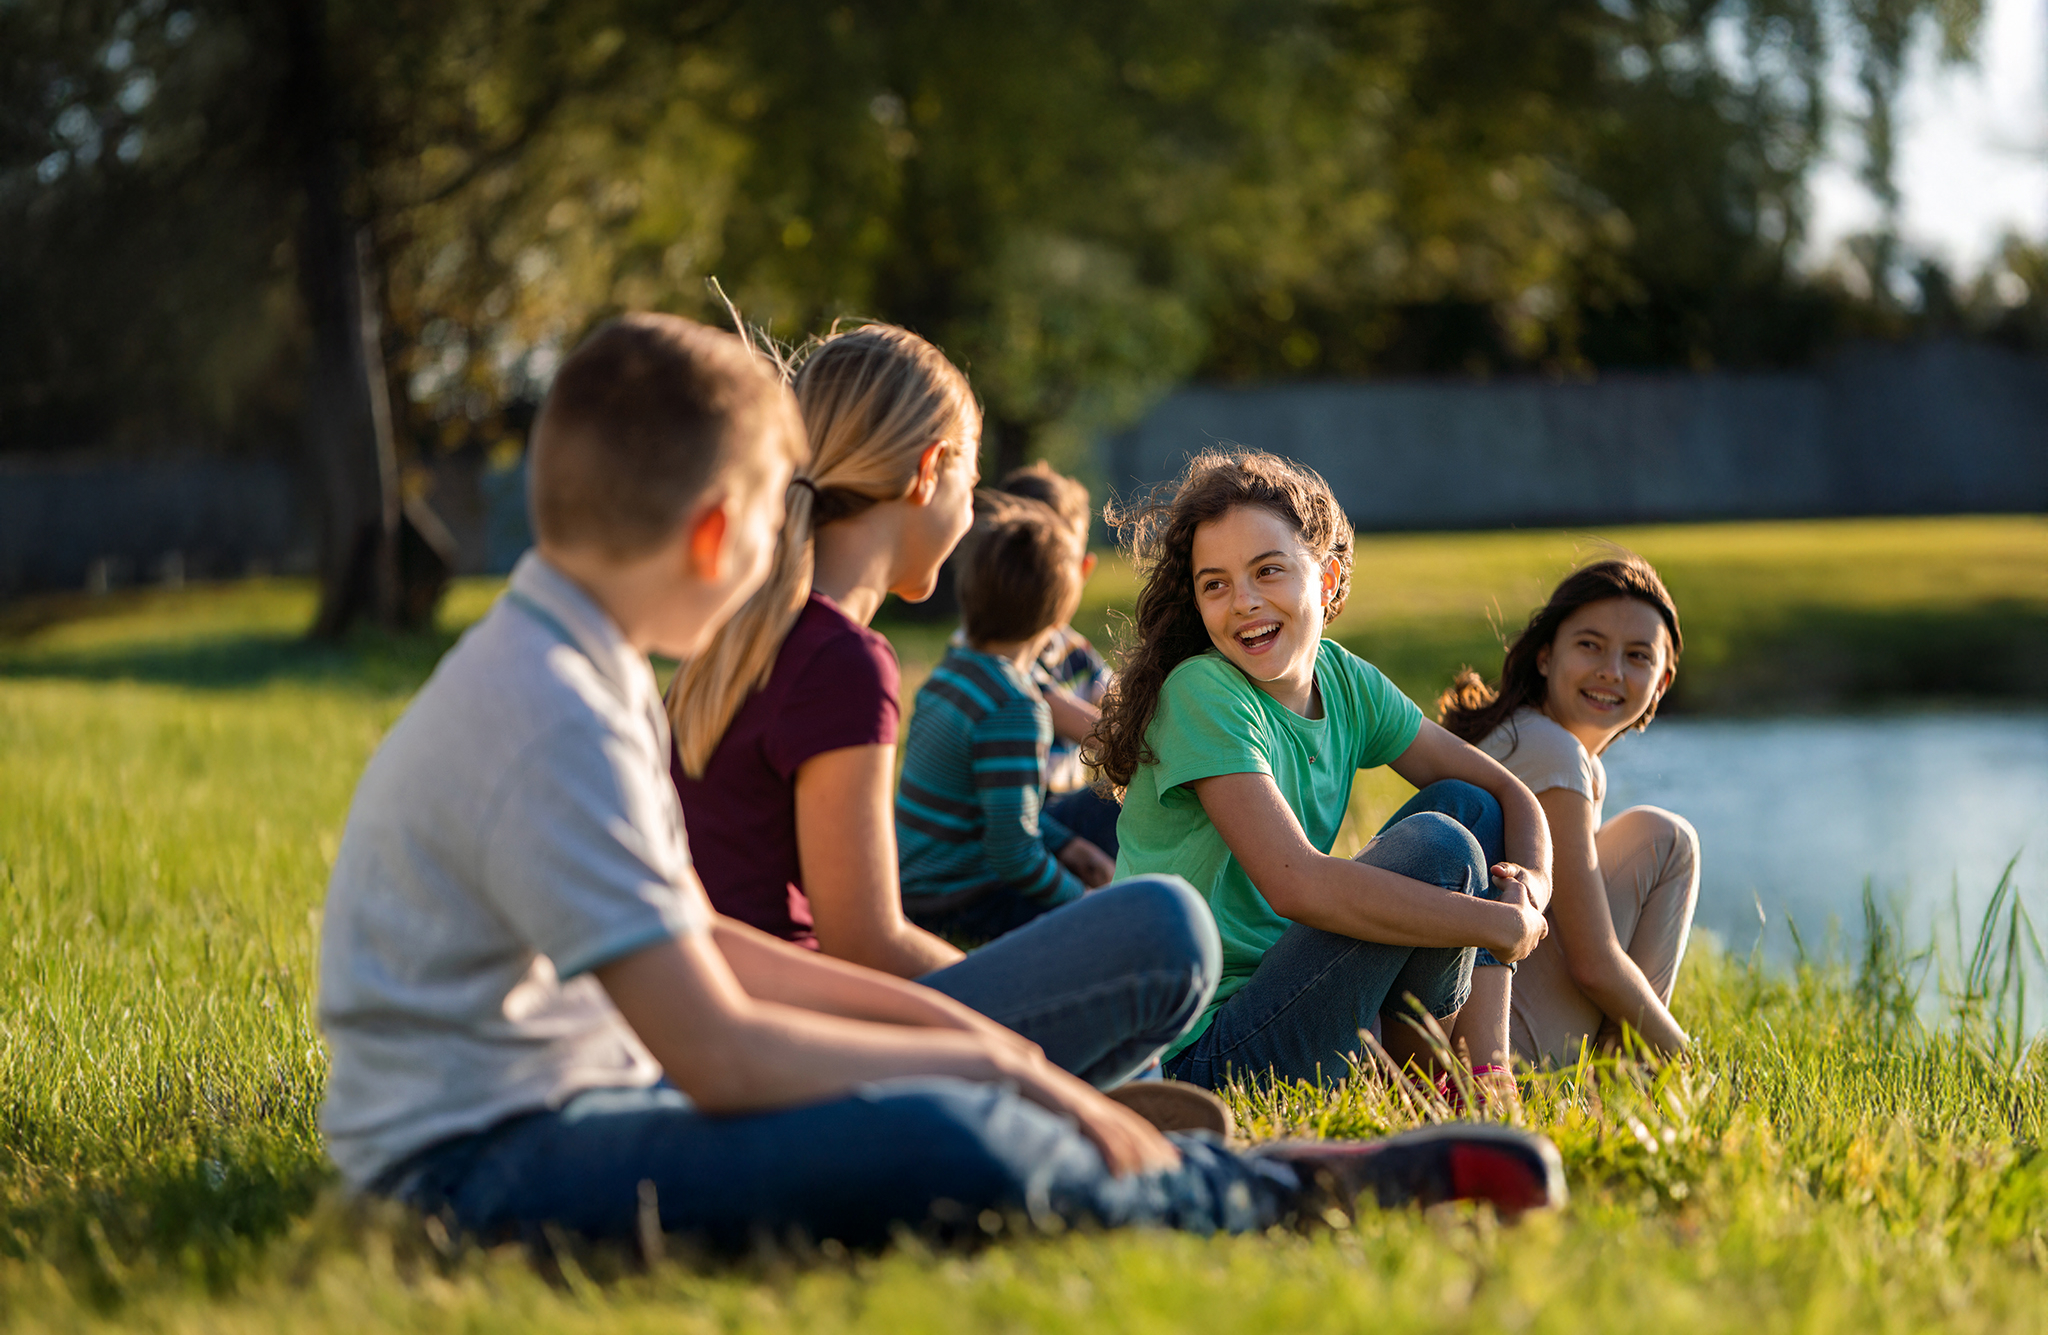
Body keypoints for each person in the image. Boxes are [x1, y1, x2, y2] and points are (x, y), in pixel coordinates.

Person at [316, 314, 1566, 1248]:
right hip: (473, 1164)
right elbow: (716, 1048)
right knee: (933, 1135)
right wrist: (998, 1071)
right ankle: (1260, 1188)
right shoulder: (552, 712)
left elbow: (706, 953)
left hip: (579, 1100)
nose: (777, 553)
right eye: (765, 523)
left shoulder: (570, 670)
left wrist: (994, 1053)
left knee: (977, 1088)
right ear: (715, 535)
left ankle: (1180, 1147)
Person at [664, 323, 1223, 1120]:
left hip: (729, 1016)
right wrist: (991, 1030)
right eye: (973, 479)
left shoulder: (735, 624)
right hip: (808, 1035)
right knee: (1169, 928)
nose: (973, 511)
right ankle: (1065, 1097)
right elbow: (866, 941)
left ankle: (1085, 1100)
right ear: (930, 470)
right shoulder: (841, 660)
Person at [1095, 449, 1554, 1095]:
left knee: (1466, 808)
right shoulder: (1202, 691)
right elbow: (1299, 887)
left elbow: (1505, 792)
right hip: (1197, 1055)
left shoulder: (1344, 681)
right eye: (1215, 584)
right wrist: (1492, 924)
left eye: (1268, 571)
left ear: (1328, 577)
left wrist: (1531, 887)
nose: (1244, 603)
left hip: (1288, 994)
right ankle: (1432, 1082)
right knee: (1442, 845)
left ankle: (1479, 1070)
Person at [1438, 555, 1701, 1065]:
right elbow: (1592, 962)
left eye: (1638, 656)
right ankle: (1632, 1085)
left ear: (1662, 682)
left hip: (1466, 1016)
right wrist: (1693, 1063)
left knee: (1643, 838)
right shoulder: (1550, 751)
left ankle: (1625, 1082)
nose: (1611, 670)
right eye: (1590, 645)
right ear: (1544, 656)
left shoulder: (1527, 735)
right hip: (1483, 1043)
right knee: (1666, 840)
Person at [896, 498, 1114, 942]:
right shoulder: (1016, 705)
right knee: (1112, 813)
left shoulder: (951, 672)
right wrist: (1088, 905)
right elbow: (1014, 855)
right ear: (1058, 615)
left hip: (916, 891)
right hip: (965, 904)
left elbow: (999, 810)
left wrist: (1066, 845)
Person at [996, 461, 1121, 857]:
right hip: (1023, 825)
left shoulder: (1073, 649)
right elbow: (1103, 733)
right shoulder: (998, 650)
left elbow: (1120, 700)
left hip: (1057, 820)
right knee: (1118, 807)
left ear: (1082, 571)